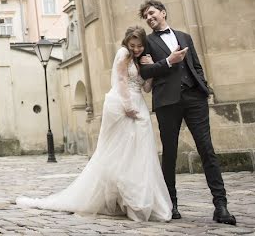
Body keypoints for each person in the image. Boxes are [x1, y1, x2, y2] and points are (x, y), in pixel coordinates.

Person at [16, 27, 172, 222]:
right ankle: (125, 199)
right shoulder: (123, 53)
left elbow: (147, 88)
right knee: (119, 152)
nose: (136, 49)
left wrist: (150, 70)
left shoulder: (141, 59)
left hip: (139, 103)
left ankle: (136, 199)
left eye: (139, 46)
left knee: (139, 153)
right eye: (133, 45)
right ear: (127, 43)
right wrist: (128, 106)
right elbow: (122, 80)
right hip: (125, 105)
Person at [137, 0, 236, 225]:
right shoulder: (147, 42)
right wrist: (169, 62)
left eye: (152, 13)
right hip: (167, 102)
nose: (150, 18)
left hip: (194, 98)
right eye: (146, 17)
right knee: (170, 154)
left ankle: (221, 206)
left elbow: (196, 65)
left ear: (163, 12)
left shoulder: (185, 36)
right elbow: (145, 72)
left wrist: (202, 85)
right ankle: (171, 204)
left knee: (207, 150)